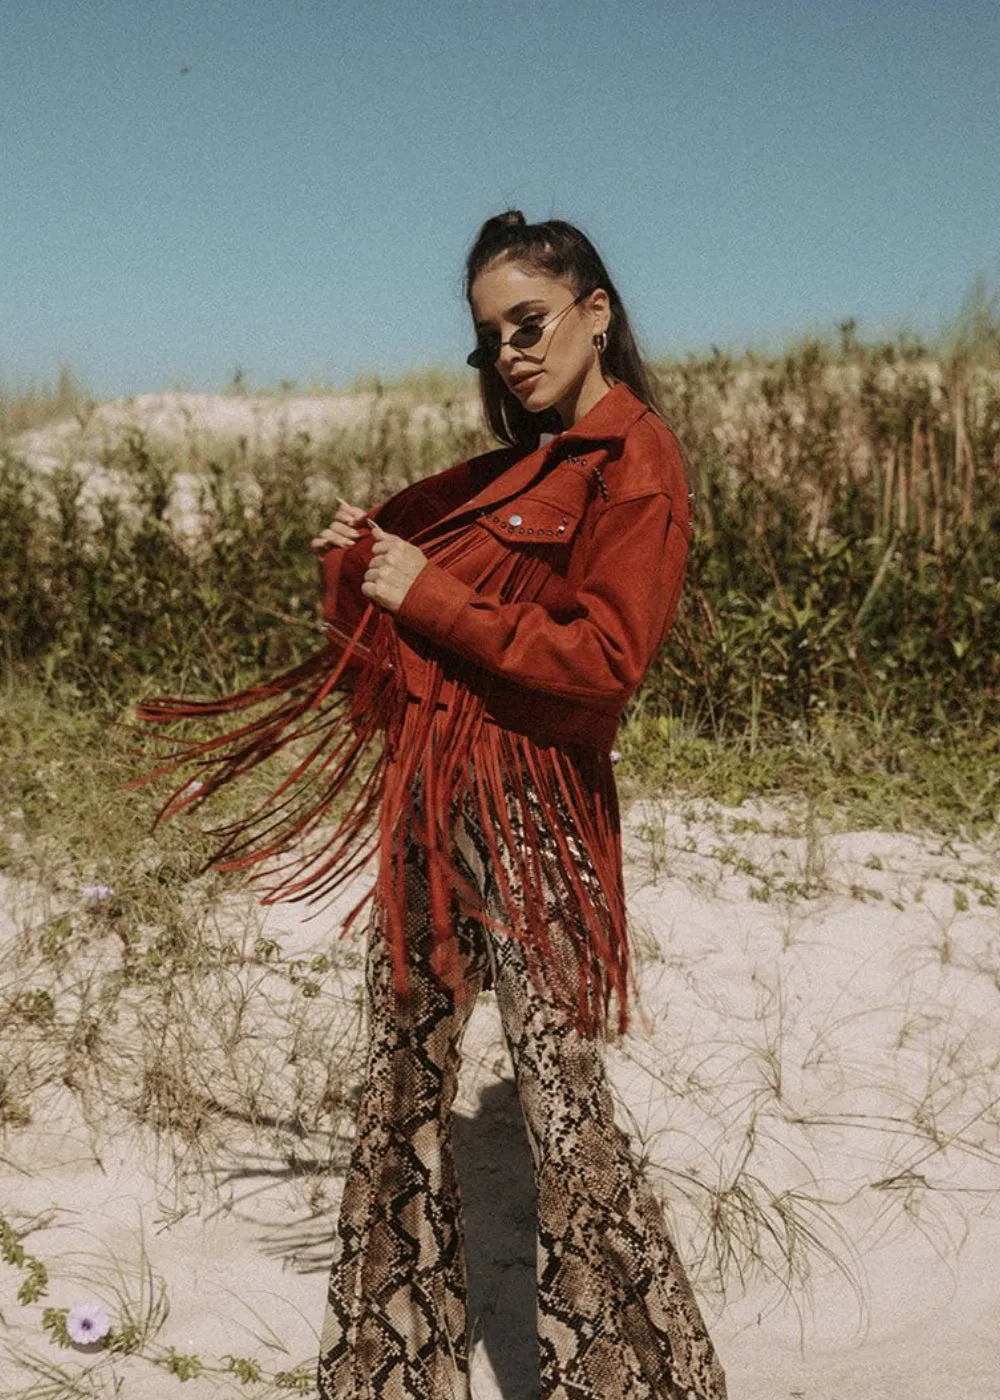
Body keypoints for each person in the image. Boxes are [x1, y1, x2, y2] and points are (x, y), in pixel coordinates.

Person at [133, 211, 727, 1400]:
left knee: (559, 1099)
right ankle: (387, 1366)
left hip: (536, 812)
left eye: (529, 323)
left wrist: (435, 593)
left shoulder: (634, 462)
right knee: (401, 1075)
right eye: (488, 339)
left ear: (594, 313)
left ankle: (640, 1380)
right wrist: (361, 565)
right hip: (433, 791)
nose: (510, 352)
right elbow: (395, 631)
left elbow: (605, 662)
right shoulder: (513, 468)